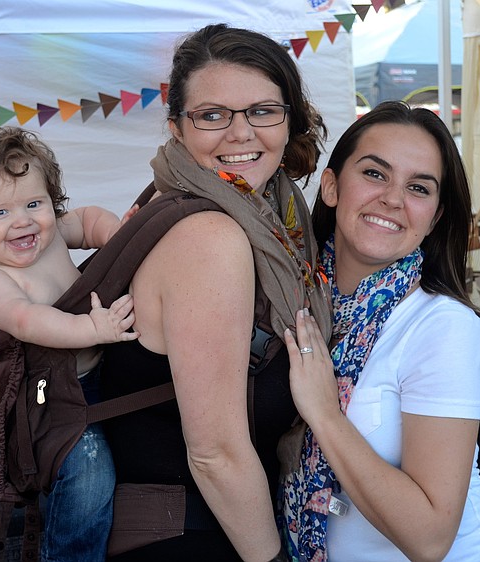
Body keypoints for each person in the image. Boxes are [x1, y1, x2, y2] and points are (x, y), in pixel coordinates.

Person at [97, 23, 332, 561]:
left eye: (262, 111)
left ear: (289, 117)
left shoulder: (271, 215)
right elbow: (215, 454)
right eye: (212, 115)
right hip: (189, 537)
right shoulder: (211, 236)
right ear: (178, 125)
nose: (240, 133)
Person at [280, 101, 480, 561]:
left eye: (418, 187)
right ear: (330, 186)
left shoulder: (443, 326)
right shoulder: (297, 305)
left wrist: (325, 415)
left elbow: (430, 538)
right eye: (374, 174)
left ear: (435, 216)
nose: (392, 199)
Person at [0, 126, 138, 562]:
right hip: (41, 404)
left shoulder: (54, 233)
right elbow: (29, 320)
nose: (22, 220)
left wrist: (118, 236)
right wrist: (92, 331)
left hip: (98, 376)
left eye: (33, 203)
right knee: (89, 470)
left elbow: (89, 218)